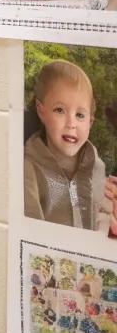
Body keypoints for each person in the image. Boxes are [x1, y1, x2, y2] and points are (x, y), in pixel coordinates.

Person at [24, 60, 117, 235]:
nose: (71, 123)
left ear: (90, 122)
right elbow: (30, 232)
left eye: (80, 115)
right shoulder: (29, 169)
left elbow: (98, 214)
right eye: (60, 110)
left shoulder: (96, 165)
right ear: (41, 110)